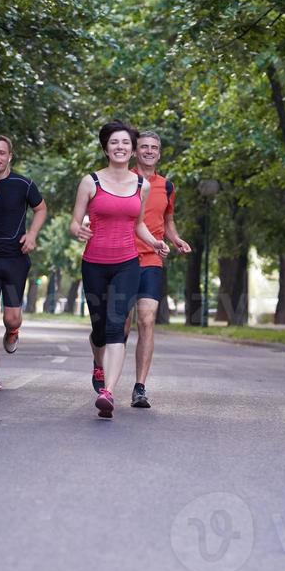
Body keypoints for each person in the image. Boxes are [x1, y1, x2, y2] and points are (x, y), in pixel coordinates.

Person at [70, 121, 169, 418]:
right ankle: (98, 365)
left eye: (126, 143)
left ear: (132, 149)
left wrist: (156, 242)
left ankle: (108, 392)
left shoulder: (142, 185)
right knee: (100, 330)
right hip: (94, 264)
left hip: (127, 263)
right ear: (106, 148)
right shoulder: (91, 182)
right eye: (115, 142)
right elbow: (74, 221)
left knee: (117, 327)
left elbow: (137, 224)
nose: (120, 147)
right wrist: (78, 231)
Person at [0, 135, 48, 391]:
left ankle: (13, 331)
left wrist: (33, 234)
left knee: (12, 318)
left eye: (1, 153)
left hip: (16, 260)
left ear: (9, 156)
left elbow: (41, 209)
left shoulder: (23, 184)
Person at [126, 130, 191, 408]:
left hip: (152, 258)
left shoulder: (167, 186)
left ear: (159, 153)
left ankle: (140, 386)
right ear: (135, 151)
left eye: (154, 147)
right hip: (123, 256)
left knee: (146, 320)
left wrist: (175, 239)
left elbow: (168, 220)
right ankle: (103, 371)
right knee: (120, 325)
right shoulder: (123, 180)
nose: (149, 151)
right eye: (144, 147)